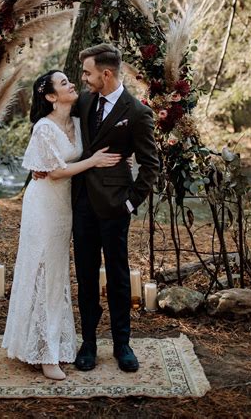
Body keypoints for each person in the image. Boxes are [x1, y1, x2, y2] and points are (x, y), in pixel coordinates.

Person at [2, 69, 121, 381]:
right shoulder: (43, 127)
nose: (71, 85)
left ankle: (49, 343)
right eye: (64, 83)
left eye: (70, 80)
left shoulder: (80, 123)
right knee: (43, 271)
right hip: (43, 206)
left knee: (56, 274)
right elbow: (54, 172)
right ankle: (45, 354)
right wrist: (93, 161)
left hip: (64, 208)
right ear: (51, 97)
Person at [71, 43, 159, 374]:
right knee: (85, 274)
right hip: (82, 205)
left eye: (88, 73)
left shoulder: (136, 112)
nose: (83, 79)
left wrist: (129, 202)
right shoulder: (83, 100)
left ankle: (123, 344)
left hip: (114, 206)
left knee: (119, 277)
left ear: (106, 74)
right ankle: (89, 342)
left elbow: (150, 165)